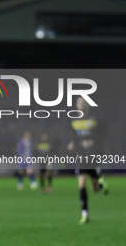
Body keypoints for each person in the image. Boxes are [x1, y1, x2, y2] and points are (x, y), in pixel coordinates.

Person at [67, 96, 108, 225]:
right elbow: (74, 136)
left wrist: (93, 141)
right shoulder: (73, 120)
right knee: (82, 184)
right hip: (81, 156)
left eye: (84, 103)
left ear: (88, 105)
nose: (82, 105)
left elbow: (104, 134)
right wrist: (72, 143)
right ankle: (85, 214)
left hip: (93, 155)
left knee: (95, 188)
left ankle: (100, 183)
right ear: (76, 105)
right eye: (80, 103)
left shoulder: (95, 119)